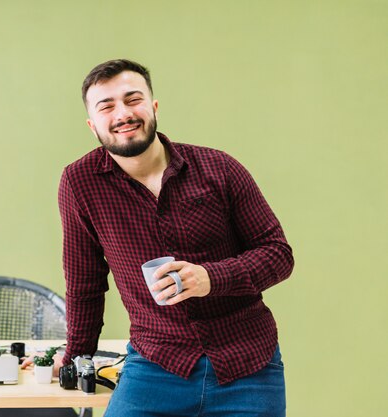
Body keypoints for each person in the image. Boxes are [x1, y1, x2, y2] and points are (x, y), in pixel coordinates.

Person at [26, 59, 294, 416]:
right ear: (93, 125)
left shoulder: (219, 168)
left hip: (247, 365)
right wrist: (76, 356)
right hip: (156, 366)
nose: (122, 113)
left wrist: (210, 278)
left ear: (153, 106)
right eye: (107, 106)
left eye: (132, 99)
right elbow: (85, 283)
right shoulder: (80, 183)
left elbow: (277, 254)